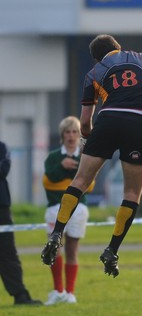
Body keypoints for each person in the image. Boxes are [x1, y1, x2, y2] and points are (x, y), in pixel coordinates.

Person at [41, 33, 142, 277]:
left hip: (107, 120)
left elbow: (84, 122)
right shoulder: (140, 57)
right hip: (138, 122)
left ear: (97, 58)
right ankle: (112, 249)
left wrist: (92, 140)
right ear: (118, 48)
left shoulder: (93, 73)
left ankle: (56, 233)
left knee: (79, 182)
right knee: (132, 193)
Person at [42, 116, 95, 305]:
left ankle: (70, 292)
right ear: (62, 135)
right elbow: (49, 178)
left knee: (72, 249)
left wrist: (74, 170)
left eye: (74, 132)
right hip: (54, 208)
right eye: (67, 132)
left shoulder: (84, 156)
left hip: (78, 209)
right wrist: (62, 166)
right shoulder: (53, 157)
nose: (71, 136)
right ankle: (58, 290)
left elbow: (89, 183)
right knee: (54, 248)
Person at [0, 140, 42, 306]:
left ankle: (20, 295)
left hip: (1, 208)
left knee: (8, 254)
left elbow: (3, 170)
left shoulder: (2, 147)